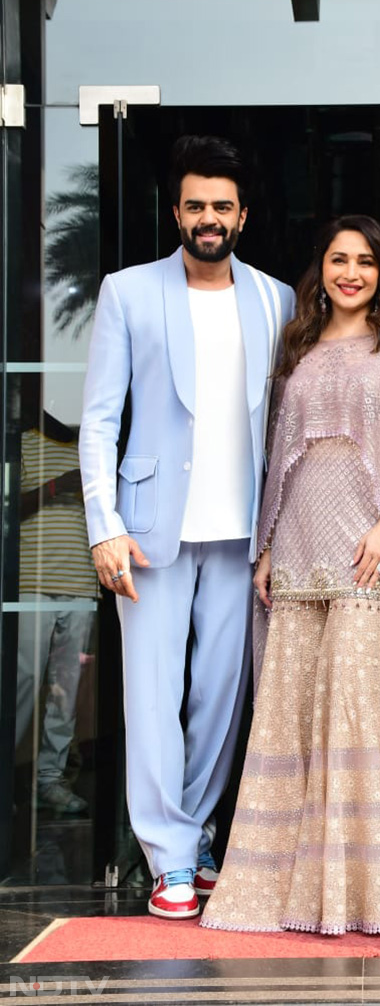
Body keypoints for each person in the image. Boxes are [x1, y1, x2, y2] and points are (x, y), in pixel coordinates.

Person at [200, 215, 380, 935]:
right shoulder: (298, 347)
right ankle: (285, 889)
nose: (351, 272)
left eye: (365, 261)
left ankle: (366, 894)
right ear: (319, 271)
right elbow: (276, 457)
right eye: (337, 260)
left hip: (368, 547)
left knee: (354, 708)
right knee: (292, 713)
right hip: (296, 553)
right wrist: (264, 549)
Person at [79, 136, 295, 919]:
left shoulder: (277, 299)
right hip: (147, 535)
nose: (210, 218)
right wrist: (102, 526)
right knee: (151, 701)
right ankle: (168, 858)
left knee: (218, 701)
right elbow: (100, 421)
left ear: (243, 214)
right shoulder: (127, 292)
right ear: (177, 211)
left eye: (223, 206)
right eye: (196, 205)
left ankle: (197, 830)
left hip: (242, 534)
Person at [16, 389, 96, 816]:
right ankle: (10, 773)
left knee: (65, 694)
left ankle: (50, 780)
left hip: (82, 583)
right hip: (33, 582)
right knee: (24, 682)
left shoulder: (92, 447)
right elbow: (12, 508)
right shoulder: (23, 442)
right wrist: (56, 485)